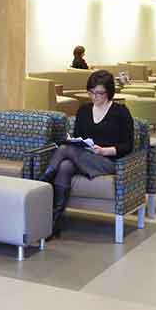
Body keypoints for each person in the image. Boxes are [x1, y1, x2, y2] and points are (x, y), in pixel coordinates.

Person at [40, 69, 135, 234]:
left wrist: (104, 151)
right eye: (91, 92)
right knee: (65, 167)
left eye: (99, 93)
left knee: (64, 149)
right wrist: (74, 141)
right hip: (83, 156)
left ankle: (41, 182)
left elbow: (128, 145)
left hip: (108, 161)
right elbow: (79, 138)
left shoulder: (121, 112)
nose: (94, 97)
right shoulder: (84, 110)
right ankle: (54, 223)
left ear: (109, 92)